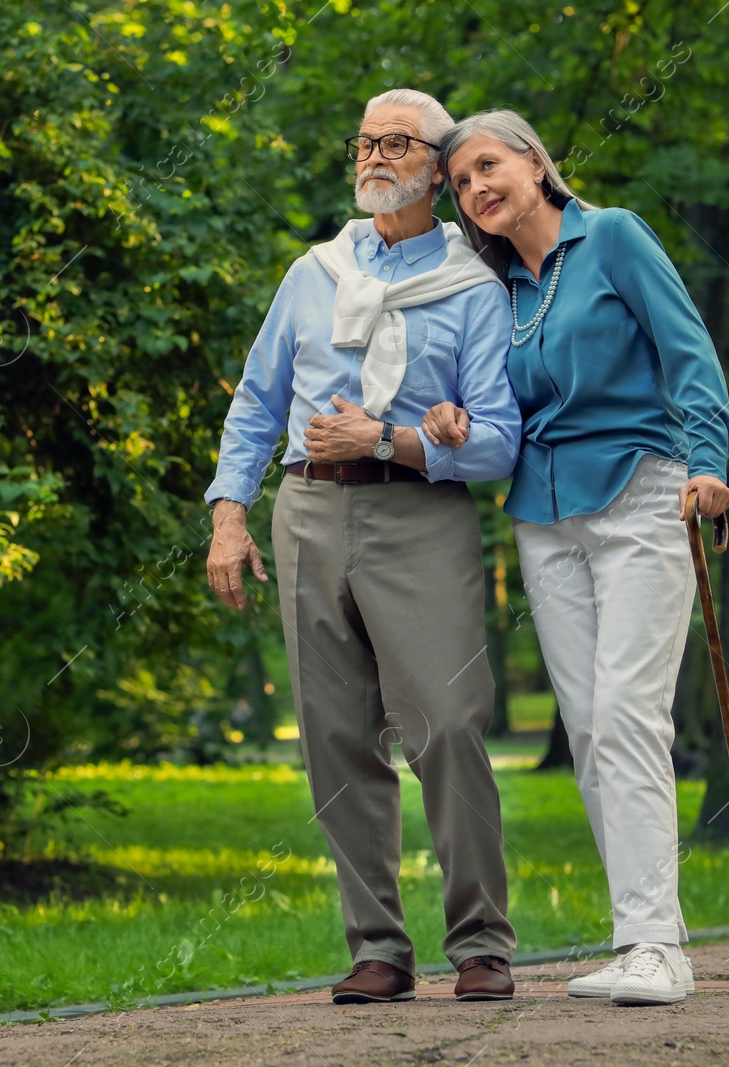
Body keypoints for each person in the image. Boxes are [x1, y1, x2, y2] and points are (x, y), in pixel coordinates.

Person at [204, 88, 523, 1003]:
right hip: (305, 514)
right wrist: (231, 510)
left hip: (419, 514)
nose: (374, 157)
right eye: (364, 142)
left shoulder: (472, 288)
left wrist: (395, 438)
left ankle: (482, 944)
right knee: (337, 737)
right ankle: (378, 947)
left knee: (450, 724)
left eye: (397, 143)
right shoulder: (314, 271)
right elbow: (259, 402)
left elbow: (497, 442)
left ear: (436, 166)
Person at [422, 107, 729, 1007]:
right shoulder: (491, 289)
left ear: (532, 160)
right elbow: (495, 409)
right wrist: (456, 421)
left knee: (631, 715)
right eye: (460, 184)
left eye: (487, 166)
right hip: (543, 519)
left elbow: (691, 357)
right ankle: (645, 936)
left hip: (643, 490)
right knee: (593, 727)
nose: (476, 189)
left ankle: (655, 946)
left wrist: (710, 465)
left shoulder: (616, 239)